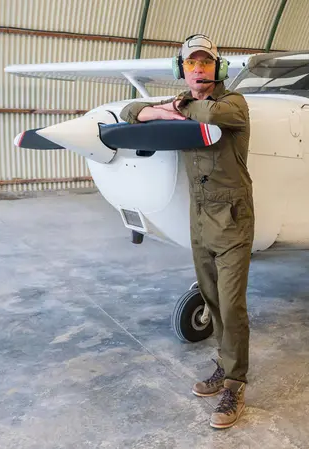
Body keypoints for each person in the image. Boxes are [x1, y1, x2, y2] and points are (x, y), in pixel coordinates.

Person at [119, 34, 254, 429]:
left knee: (232, 306)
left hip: (233, 217)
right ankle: (223, 366)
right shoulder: (182, 104)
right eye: (191, 64)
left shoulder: (234, 103)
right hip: (199, 217)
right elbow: (130, 111)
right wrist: (161, 111)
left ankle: (235, 384)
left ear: (219, 68)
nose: (198, 69)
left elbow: (210, 117)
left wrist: (177, 105)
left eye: (206, 63)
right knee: (212, 303)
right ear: (183, 69)